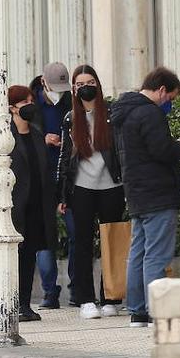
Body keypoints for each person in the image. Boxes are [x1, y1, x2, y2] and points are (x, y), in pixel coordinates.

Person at [111, 66, 180, 327]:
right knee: (156, 255)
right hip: (158, 193)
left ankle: (137, 311)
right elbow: (161, 151)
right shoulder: (150, 113)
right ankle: (156, 311)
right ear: (161, 90)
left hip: (135, 193)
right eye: (171, 97)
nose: (170, 103)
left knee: (138, 252)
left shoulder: (123, 112)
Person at [57, 64, 127, 320]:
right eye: (79, 84)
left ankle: (111, 296)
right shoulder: (70, 118)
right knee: (82, 243)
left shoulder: (111, 114)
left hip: (112, 186)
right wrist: (62, 195)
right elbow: (64, 159)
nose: (85, 87)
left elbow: (121, 151)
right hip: (81, 189)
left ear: (97, 84)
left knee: (112, 241)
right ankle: (86, 299)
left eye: (90, 82)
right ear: (73, 89)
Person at [0, 85, 57, 322]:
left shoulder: (37, 134)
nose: (30, 105)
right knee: (12, 257)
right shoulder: (1, 138)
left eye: (31, 100)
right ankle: (7, 303)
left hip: (36, 205)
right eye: (24, 102)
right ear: (11, 108)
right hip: (12, 205)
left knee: (29, 257)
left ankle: (24, 304)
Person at [31, 62, 73, 308]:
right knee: (44, 238)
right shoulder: (32, 106)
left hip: (68, 177)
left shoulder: (70, 103)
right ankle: (50, 291)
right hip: (42, 179)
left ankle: (76, 290)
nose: (59, 92)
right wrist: (42, 138)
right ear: (43, 82)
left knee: (76, 234)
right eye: (54, 87)